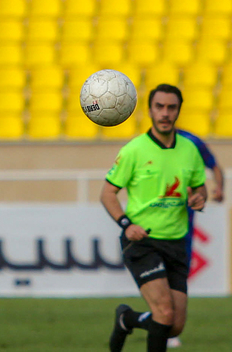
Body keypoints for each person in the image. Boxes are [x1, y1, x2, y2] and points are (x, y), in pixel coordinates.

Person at [100, 84, 207, 352]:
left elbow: (198, 186)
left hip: (176, 242)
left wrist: (199, 196)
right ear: (150, 110)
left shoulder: (190, 150)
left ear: (179, 111)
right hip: (142, 241)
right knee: (164, 313)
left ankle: (128, 319)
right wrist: (126, 225)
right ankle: (130, 320)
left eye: (171, 107)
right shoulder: (135, 150)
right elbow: (107, 194)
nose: (165, 113)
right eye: (160, 107)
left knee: (175, 325)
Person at [166, 129, 225, 349]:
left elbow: (215, 166)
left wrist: (219, 188)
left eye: (170, 108)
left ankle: (169, 327)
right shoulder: (145, 144)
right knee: (159, 278)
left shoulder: (191, 142)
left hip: (183, 224)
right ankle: (163, 323)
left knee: (176, 275)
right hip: (153, 222)